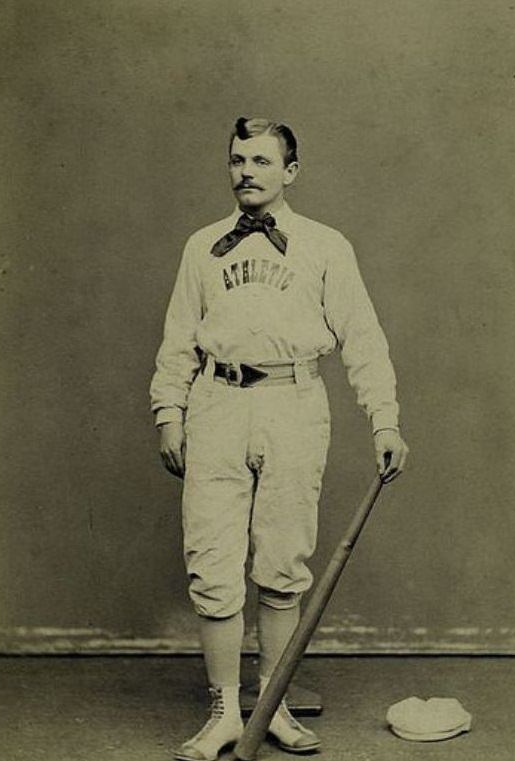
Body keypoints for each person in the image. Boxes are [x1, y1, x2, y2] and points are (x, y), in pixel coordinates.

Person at [150, 116, 408, 761]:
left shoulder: (326, 246)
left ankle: (273, 705)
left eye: (263, 161)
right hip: (216, 404)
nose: (247, 172)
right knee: (212, 563)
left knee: (284, 562)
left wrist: (385, 419)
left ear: (290, 171)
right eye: (239, 160)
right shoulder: (201, 246)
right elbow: (179, 337)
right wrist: (168, 414)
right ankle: (223, 714)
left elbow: (364, 339)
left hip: (294, 403)